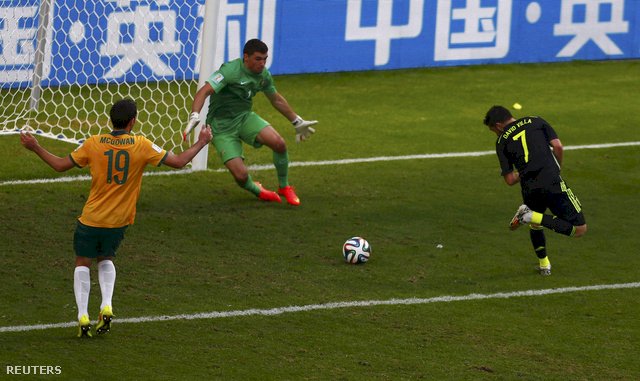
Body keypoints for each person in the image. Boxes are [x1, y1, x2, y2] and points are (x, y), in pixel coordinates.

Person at [20, 99, 212, 337]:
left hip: (90, 220)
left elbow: (60, 165)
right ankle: (107, 304)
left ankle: (82, 315)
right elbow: (180, 162)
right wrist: (202, 141)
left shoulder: (94, 143)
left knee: (82, 262)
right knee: (106, 258)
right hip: (118, 222)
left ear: (111, 119)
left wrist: (36, 147)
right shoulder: (141, 145)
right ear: (133, 121)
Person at [184, 38, 317, 206]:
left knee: (279, 143)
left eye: (265, 59)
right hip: (221, 127)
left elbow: (276, 99)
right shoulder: (230, 71)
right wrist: (195, 115)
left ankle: (284, 186)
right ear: (246, 57)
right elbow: (204, 91)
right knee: (241, 176)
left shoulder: (263, 75)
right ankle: (257, 190)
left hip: (244, 118)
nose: (262, 64)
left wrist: (296, 121)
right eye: (258, 59)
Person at [483, 105, 587, 276]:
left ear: (499, 125)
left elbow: (509, 180)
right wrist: (557, 168)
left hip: (529, 187)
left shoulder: (501, 142)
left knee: (536, 224)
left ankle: (544, 264)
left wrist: (524, 171)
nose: (496, 134)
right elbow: (558, 146)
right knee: (579, 229)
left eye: (493, 130)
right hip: (552, 181)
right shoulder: (536, 120)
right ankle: (528, 215)